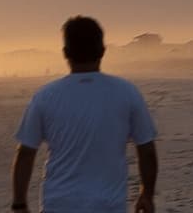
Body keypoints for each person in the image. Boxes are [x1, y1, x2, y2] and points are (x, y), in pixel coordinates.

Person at [11, 16, 160, 212]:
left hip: (60, 204)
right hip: (108, 205)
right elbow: (146, 149)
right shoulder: (126, 92)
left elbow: (26, 153)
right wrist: (146, 195)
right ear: (102, 51)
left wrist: (19, 203)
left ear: (65, 53)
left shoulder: (46, 96)